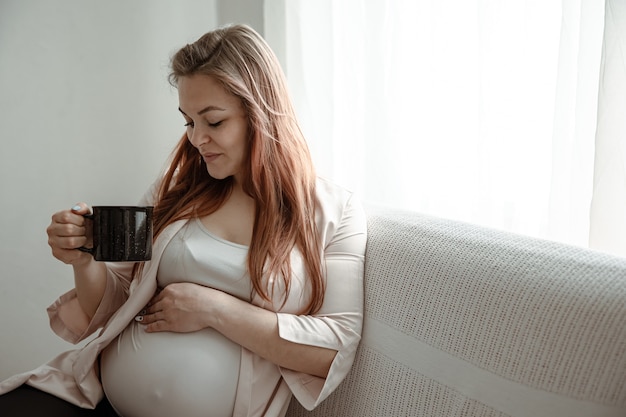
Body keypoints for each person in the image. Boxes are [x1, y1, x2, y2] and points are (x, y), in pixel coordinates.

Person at [0, 24, 366, 417]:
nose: (196, 139)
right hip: (95, 398)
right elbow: (108, 309)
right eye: (188, 121)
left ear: (260, 114)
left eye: (214, 121)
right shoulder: (175, 190)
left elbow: (334, 348)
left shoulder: (334, 213)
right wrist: (84, 259)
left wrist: (214, 309)